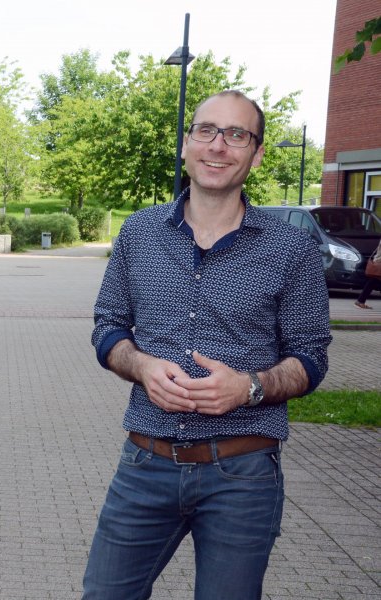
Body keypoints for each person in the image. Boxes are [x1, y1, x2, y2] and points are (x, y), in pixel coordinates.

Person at [84, 90, 331, 599]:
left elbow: (311, 356)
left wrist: (249, 388)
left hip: (242, 474)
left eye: (237, 135)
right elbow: (108, 327)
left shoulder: (291, 249)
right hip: (145, 465)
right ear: (185, 143)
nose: (218, 145)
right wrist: (140, 366)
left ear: (257, 153)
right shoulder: (139, 232)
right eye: (206, 131)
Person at [354, 239, 381, 309]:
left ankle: (360, 301)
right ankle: (360, 301)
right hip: (379, 263)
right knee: (373, 281)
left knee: (373, 282)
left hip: (378, 262)